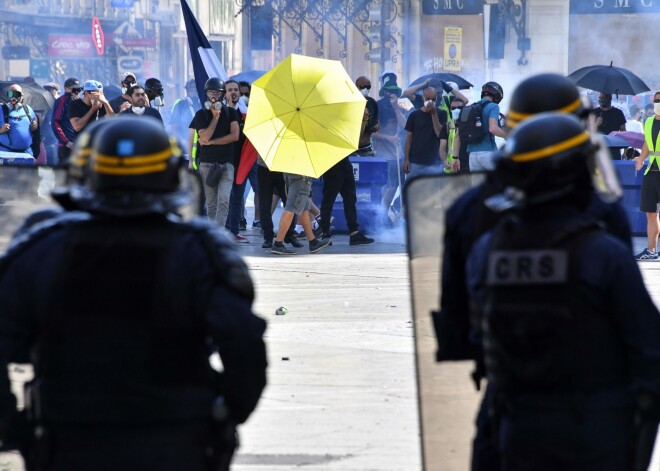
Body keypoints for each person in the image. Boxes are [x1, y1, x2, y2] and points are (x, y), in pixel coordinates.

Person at [0, 116, 268, 470]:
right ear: (170, 176)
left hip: (71, 444)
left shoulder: (42, 250)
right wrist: (225, 415)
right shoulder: (199, 253)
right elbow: (244, 344)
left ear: (85, 174)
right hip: (176, 443)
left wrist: (18, 430)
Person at [435, 72, 632, 471]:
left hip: (509, 405)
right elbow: (636, 338)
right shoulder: (601, 213)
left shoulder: (467, 211)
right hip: (589, 414)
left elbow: (457, 330)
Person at [466, 113, 660, 471]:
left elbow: (477, 341)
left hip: (517, 432)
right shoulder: (604, 255)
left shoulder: (487, 252)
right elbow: (649, 353)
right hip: (593, 438)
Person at [190, 77, 239, 228]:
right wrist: (215, 118)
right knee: (211, 204)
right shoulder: (200, 114)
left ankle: (220, 233)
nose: (214, 95)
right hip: (206, 165)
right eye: (211, 92)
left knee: (224, 200)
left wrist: (211, 142)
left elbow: (235, 136)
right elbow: (203, 136)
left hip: (226, 164)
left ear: (223, 95)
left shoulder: (231, 113)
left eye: (217, 92)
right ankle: (212, 234)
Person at [272, 173, 332, 255]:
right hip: (300, 176)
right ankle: (278, 243)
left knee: (304, 207)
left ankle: (313, 242)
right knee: (291, 208)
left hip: (296, 175)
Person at [372, 76, 406, 219]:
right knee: (388, 185)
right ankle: (381, 216)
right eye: (389, 92)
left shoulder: (398, 106)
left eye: (395, 93)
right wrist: (388, 138)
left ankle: (387, 214)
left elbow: (404, 125)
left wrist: (396, 107)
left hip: (397, 154)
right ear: (384, 92)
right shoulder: (377, 107)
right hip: (383, 154)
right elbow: (372, 133)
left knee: (397, 184)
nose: (392, 95)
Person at [456, 81, 506, 172]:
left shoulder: (468, 108)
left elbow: (458, 135)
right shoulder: (493, 107)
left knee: (478, 184)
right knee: (500, 181)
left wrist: (455, 158)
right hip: (488, 153)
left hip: (472, 156)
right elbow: (493, 128)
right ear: (497, 95)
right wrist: (509, 135)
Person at [634, 90, 660, 260]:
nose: (658, 102)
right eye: (656, 100)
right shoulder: (649, 121)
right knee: (651, 212)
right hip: (652, 170)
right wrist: (641, 159)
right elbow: (647, 143)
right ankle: (651, 251)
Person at [224, 79, 251, 243]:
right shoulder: (219, 113)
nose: (233, 92)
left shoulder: (245, 113)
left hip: (242, 162)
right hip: (224, 162)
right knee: (224, 198)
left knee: (237, 199)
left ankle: (233, 231)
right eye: (230, 90)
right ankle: (224, 231)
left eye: (236, 90)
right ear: (224, 93)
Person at [403, 86, 446, 178]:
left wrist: (434, 114)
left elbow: (439, 134)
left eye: (433, 99)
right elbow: (409, 139)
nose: (430, 101)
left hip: (435, 162)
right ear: (423, 98)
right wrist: (406, 159)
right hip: (415, 162)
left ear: (436, 98)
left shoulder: (442, 113)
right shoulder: (414, 115)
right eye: (427, 99)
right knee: (413, 191)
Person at [0, 83, 39, 156]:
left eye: (17, 93)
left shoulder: (28, 109)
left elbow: (35, 118)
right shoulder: (1, 109)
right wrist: (1, 129)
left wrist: (35, 124)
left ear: (22, 96)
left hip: (27, 153)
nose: (14, 96)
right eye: (11, 93)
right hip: (6, 153)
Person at [51, 77, 82, 164]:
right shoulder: (62, 100)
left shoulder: (80, 100)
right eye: (73, 87)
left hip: (78, 144)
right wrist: (66, 142)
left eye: (77, 88)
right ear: (66, 88)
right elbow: (55, 122)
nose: (76, 90)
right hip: (66, 146)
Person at [170, 79, 200, 157]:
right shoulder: (180, 105)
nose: (193, 91)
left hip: (202, 148)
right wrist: (183, 142)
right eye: (191, 89)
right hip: (185, 148)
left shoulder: (204, 104)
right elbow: (174, 128)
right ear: (187, 90)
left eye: (195, 89)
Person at [594, 92, 626, 160]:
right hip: (598, 149)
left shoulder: (618, 113)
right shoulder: (594, 112)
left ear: (609, 99)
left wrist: (625, 151)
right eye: (600, 98)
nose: (601, 99)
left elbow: (624, 132)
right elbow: (588, 132)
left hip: (614, 149)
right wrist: (597, 124)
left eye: (603, 98)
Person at [439, 97, 465, 173]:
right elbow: (442, 146)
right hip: (451, 168)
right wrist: (444, 161)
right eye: (453, 108)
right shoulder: (447, 126)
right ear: (450, 110)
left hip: (466, 167)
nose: (456, 110)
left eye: (459, 107)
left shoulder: (469, 125)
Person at [354, 75, 379, 156]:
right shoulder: (349, 103)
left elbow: (376, 122)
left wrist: (376, 127)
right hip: (351, 150)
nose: (365, 89)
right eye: (362, 86)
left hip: (366, 148)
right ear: (356, 86)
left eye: (368, 87)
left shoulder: (372, 102)